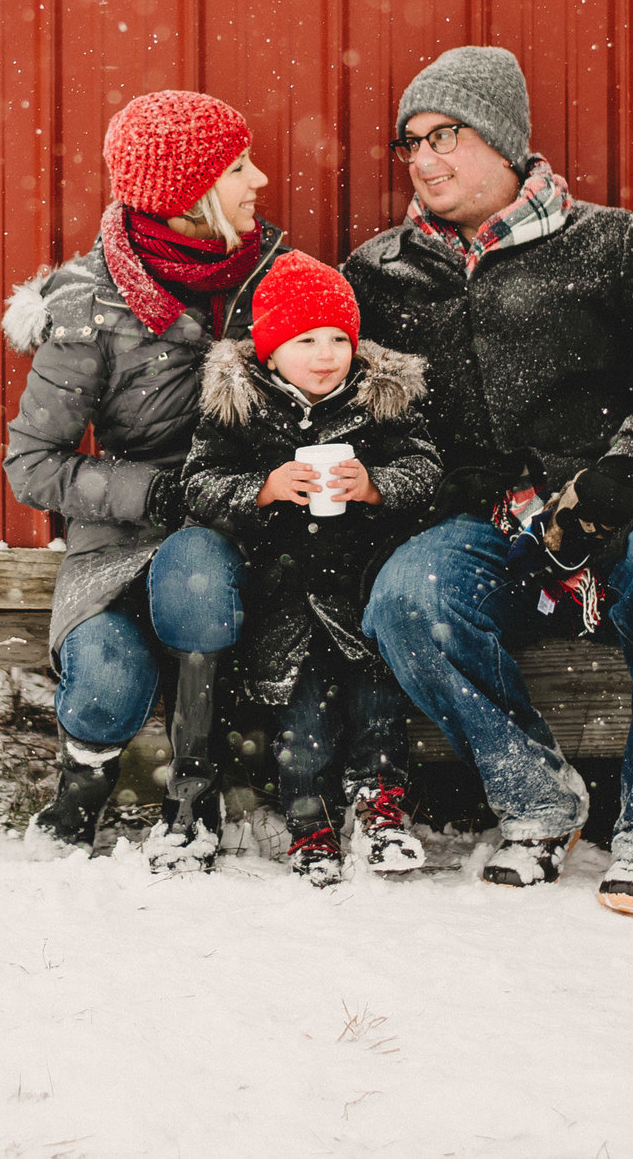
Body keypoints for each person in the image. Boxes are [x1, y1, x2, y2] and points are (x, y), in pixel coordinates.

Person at [346, 46, 633, 914]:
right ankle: (537, 799)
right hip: (480, 529)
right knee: (405, 594)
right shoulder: (379, 273)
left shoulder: (613, 244)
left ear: (503, 139)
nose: (423, 160)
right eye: (411, 141)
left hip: (615, 512)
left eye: (445, 135)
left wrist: (618, 480)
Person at [3, 89, 286, 870]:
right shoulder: (90, 301)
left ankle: (193, 796)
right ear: (189, 191)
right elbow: (32, 462)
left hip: (229, 531)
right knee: (104, 677)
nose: (260, 179)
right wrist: (147, 492)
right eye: (238, 167)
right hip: (118, 540)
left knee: (197, 565)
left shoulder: (270, 276)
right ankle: (81, 790)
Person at [178, 252, 440, 886]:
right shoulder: (240, 408)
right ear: (270, 354)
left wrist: (376, 487)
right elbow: (199, 483)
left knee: (378, 706)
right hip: (285, 599)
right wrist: (262, 490)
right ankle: (312, 829)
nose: (326, 356)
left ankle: (382, 814)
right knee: (304, 724)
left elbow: (427, 468)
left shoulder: (380, 402)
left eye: (338, 340)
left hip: (361, 592)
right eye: (306, 341)